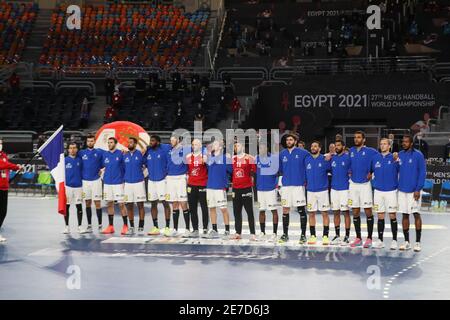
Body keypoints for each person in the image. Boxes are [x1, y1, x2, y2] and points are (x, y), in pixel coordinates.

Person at [348, 131, 377, 248]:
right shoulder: (351, 151)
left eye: (359, 137)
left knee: (368, 211)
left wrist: (372, 172)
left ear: (364, 140)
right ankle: (358, 238)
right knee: (355, 211)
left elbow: (381, 159)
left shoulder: (371, 151)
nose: (356, 139)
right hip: (353, 184)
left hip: (365, 185)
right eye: (355, 137)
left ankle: (369, 238)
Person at [278, 133, 309, 244]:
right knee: (285, 210)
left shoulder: (303, 153)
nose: (289, 142)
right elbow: (280, 170)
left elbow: (314, 159)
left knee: (301, 210)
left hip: (298, 186)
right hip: (286, 186)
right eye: (287, 140)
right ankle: (285, 234)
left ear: (295, 141)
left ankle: (303, 235)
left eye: (291, 140)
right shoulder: (282, 154)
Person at [397, 135, 426, 252]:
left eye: (406, 142)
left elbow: (422, 173)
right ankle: (407, 242)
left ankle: (418, 242)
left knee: (416, 214)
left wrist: (418, 189)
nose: (404, 143)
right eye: (403, 142)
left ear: (411, 143)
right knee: (404, 215)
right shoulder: (399, 155)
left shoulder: (418, 155)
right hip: (402, 190)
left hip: (414, 191)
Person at [370, 138, 399, 250]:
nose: (382, 146)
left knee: (392, 215)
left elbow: (401, 169)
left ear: (389, 146)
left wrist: (397, 160)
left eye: (385, 144)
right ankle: (380, 240)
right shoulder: (375, 158)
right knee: (380, 215)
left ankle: (394, 240)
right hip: (378, 191)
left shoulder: (394, 158)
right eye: (381, 144)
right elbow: (370, 171)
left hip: (391, 191)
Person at [144, 135, 172, 236]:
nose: (150, 142)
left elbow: (169, 161)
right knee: (153, 203)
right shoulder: (148, 152)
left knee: (165, 203)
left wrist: (166, 174)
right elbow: (144, 163)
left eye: (153, 141)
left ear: (158, 142)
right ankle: (155, 227)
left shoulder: (164, 150)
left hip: (162, 181)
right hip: (151, 181)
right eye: (150, 141)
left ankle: (167, 227)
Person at [305, 141, 331, 245]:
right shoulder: (307, 160)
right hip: (310, 191)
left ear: (319, 148)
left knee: (325, 213)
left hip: (323, 191)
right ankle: (312, 236)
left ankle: (325, 236)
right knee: (311, 213)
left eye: (315, 146)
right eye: (312, 146)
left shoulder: (324, 159)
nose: (313, 147)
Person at [100, 137, 129, 235]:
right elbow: (102, 167)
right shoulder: (105, 155)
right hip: (107, 183)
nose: (109, 144)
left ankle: (125, 226)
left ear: (115, 144)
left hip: (118, 183)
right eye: (108, 143)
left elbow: (126, 167)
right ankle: (110, 226)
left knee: (121, 204)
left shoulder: (121, 154)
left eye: (111, 142)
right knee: (110, 204)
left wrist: (124, 181)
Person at [205, 140, 232, 239]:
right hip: (210, 186)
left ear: (220, 147)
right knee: (211, 208)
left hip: (220, 187)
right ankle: (214, 229)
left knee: (223, 209)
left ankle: (227, 230)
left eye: (215, 144)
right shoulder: (209, 158)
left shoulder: (226, 158)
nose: (213, 145)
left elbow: (231, 171)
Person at [231, 142, 257, 241]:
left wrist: (251, 180)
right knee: (236, 212)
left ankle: (253, 233)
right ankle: (238, 232)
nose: (236, 147)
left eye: (238, 145)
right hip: (235, 188)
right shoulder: (232, 159)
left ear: (242, 147)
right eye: (235, 146)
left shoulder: (249, 158)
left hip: (246, 188)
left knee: (249, 211)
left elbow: (254, 171)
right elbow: (230, 172)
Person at [78, 135, 103, 233]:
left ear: (95, 142)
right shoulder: (81, 153)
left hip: (96, 181)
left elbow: (107, 160)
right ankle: (89, 225)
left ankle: (100, 225)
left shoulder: (99, 152)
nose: (90, 143)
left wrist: (102, 169)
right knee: (87, 203)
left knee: (97, 203)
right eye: (88, 141)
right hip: (85, 181)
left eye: (92, 141)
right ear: (86, 142)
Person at [166, 136, 190, 237]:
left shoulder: (185, 150)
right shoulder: (168, 151)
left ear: (178, 141)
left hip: (181, 178)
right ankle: (175, 229)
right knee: (174, 204)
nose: (171, 141)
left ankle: (188, 229)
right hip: (170, 178)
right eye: (170, 140)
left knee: (183, 203)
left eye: (173, 140)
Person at [123, 137, 147, 235]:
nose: (129, 144)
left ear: (135, 144)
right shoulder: (124, 155)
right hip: (128, 183)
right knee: (129, 205)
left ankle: (141, 226)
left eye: (131, 142)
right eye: (128, 142)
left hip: (139, 183)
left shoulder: (141, 154)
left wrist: (141, 176)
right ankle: (132, 226)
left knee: (140, 205)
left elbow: (146, 166)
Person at [255, 143, 279, 242]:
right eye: (260, 148)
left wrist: (276, 185)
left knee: (273, 211)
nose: (261, 149)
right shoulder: (256, 158)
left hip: (271, 189)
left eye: (263, 147)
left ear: (267, 148)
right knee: (261, 211)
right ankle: (262, 232)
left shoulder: (273, 158)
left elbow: (278, 172)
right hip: (260, 189)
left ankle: (274, 233)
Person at [329, 139, 351, 245]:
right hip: (334, 189)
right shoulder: (332, 158)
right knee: (335, 212)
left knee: (345, 212)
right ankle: (337, 236)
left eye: (338, 145)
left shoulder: (348, 157)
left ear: (343, 146)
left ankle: (347, 236)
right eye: (335, 145)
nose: (336, 147)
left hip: (344, 189)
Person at [186, 139, 209, 238]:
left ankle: (205, 228)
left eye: (196, 144)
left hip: (202, 184)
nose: (193, 146)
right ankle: (195, 228)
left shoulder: (204, 157)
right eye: (192, 144)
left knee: (204, 206)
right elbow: (187, 170)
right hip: (191, 185)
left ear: (200, 146)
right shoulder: (188, 157)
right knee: (192, 207)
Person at [0, 139, 21, 242]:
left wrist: (7, 179)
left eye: (1, 143)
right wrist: (16, 167)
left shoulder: (4, 155)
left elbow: (6, 166)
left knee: (3, 212)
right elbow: (2, 165)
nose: (0, 145)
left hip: (4, 187)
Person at [63, 142, 83, 234]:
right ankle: (67, 227)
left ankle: (80, 226)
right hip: (68, 187)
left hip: (79, 187)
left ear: (77, 149)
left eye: (74, 148)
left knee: (79, 206)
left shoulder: (80, 160)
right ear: (68, 150)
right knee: (66, 207)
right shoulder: (64, 160)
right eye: (70, 148)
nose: (72, 150)